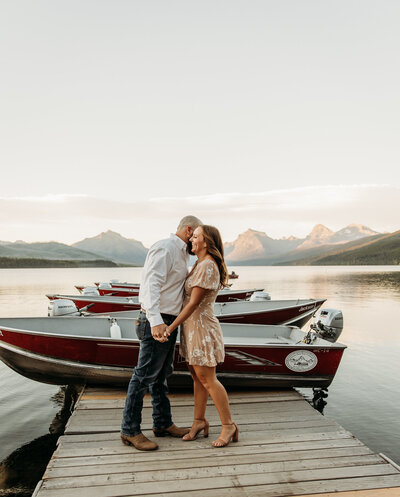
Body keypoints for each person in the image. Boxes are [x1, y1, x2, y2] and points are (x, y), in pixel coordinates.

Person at [120, 215, 203, 451]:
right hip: (155, 320)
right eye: (196, 235)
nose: (197, 239)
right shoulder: (165, 248)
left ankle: (163, 423)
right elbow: (150, 285)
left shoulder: (181, 254)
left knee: (161, 375)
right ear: (188, 230)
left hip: (169, 321)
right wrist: (155, 321)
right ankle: (129, 431)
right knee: (143, 375)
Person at [164, 225, 239, 448]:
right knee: (197, 378)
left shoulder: (207, 266)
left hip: (202, 328)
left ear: (206, 242)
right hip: (192, 328)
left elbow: (194, 303)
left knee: (208, 379)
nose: (191, 239)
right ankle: (199, 421)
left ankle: (228, 425)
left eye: (195, 236)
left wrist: (170, 328)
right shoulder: (198, 263)